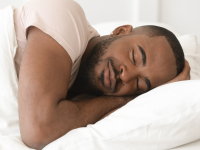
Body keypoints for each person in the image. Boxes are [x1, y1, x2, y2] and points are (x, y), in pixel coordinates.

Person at [13, 0, 190, 149]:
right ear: (120, 31)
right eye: (134, 57)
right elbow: (39, 131)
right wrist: (125, 100)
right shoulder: (64, 15)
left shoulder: (90, 100)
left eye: (139, 85)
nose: (126, 77)